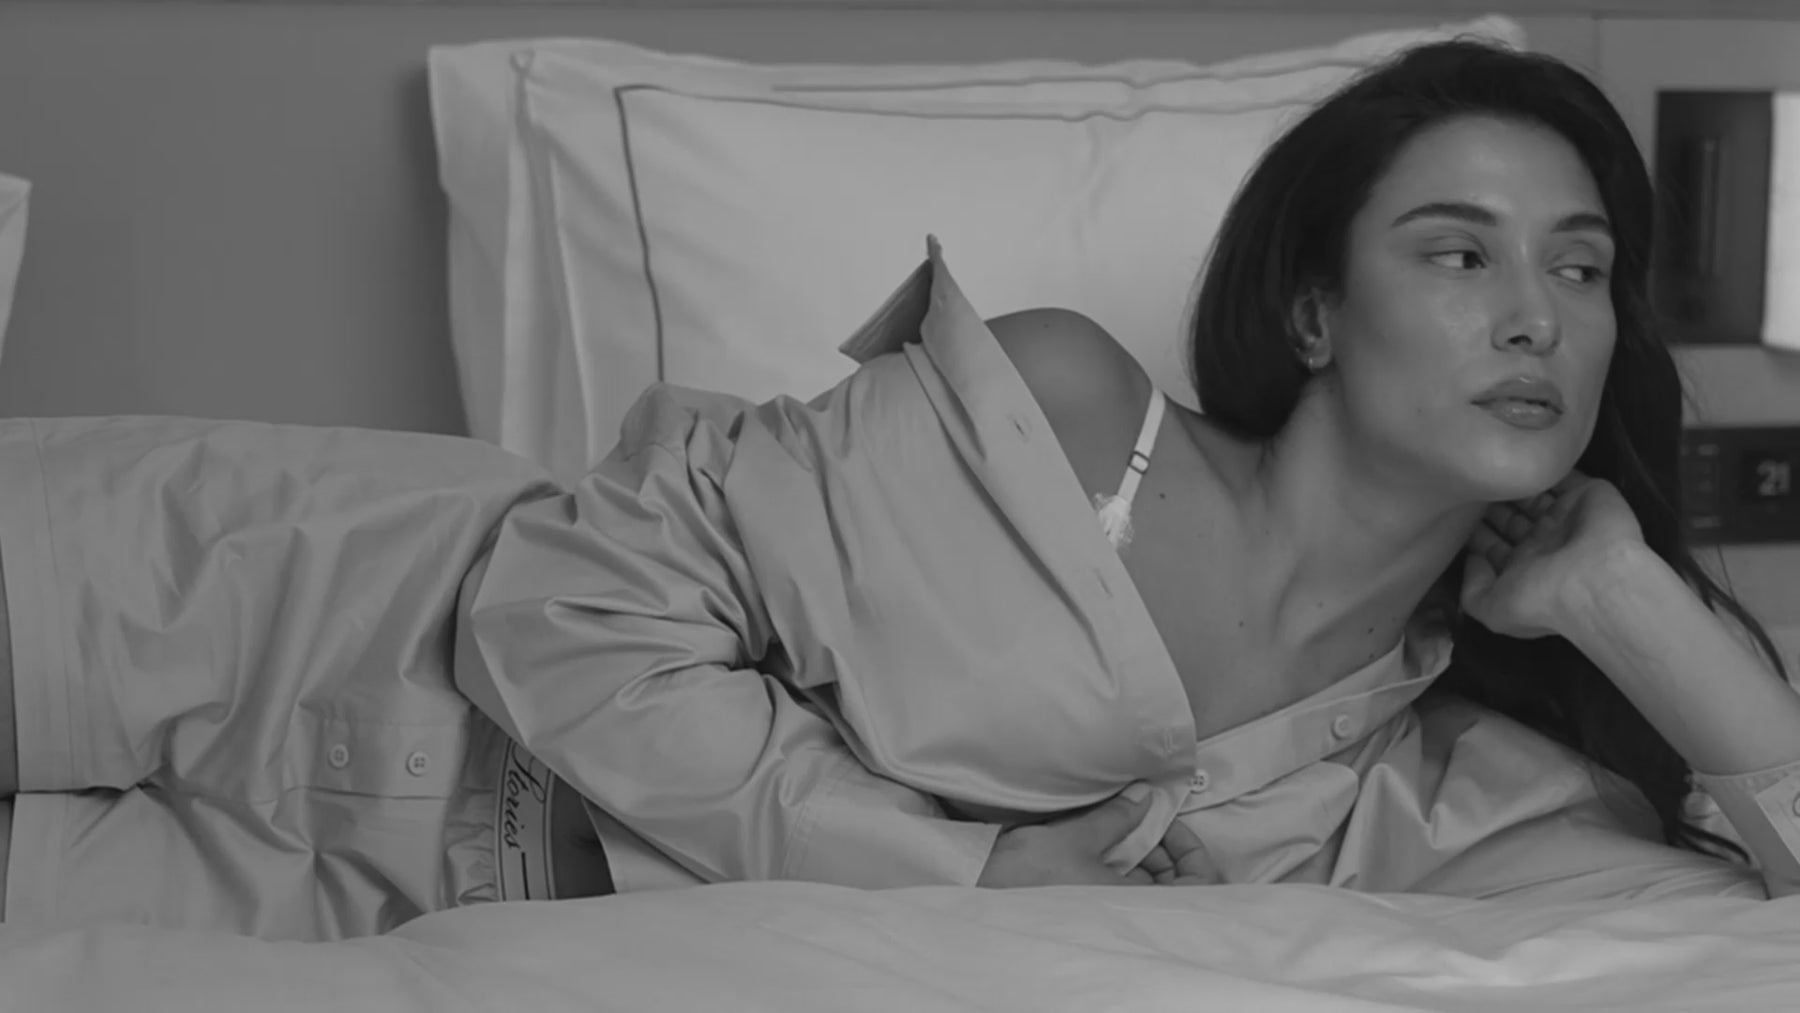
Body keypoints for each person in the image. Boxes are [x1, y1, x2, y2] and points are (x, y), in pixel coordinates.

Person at [0, 36, 1795, 943]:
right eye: (1459, 253)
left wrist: (1621, 593)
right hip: (271, 598)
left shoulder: (1421, 785)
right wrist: (968, 872)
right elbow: (572, 606)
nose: (1535, 315)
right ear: (1315, 309)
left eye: (1580, 268)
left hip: (371, 909)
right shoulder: (1071, 416)